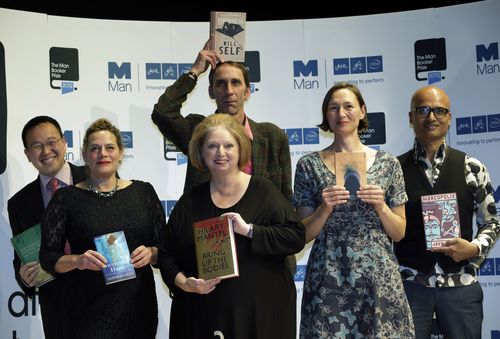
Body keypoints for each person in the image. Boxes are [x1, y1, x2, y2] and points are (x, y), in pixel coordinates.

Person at [158, 113, 305, 339]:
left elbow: (295, 236)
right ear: (201, 152)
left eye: (229, 145)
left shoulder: (264, 191)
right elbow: (167, 256)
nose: (221, 153)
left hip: (259, 317)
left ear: (240, 150)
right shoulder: (190, 201)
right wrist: (185, 283)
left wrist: (249, 231)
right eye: (212, 146)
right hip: (203, 317)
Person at [292, 82, 415, 338]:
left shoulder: (388, 164)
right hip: (328, 278)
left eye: (348, 106)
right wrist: (324, 209)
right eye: (333, 108)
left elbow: (400, 232)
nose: (341, 113)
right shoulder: (308, 165)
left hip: (378, 278)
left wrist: (381, 206)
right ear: (326, 115)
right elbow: (302, 234)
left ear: (362, 111)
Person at [39, 118, 164, 339]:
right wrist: (78, 261)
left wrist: (152, 253)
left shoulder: (143, 193)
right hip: (85, 312)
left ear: (121, 153)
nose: (102, 154)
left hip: (138, 309)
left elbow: (165, 249)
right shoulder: (66, 199)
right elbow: (48, 257)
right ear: (85, 155)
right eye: (94, 149)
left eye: (109, 147)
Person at [395, 85, 499, 339]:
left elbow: (492, 221)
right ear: (411, 118)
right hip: (409, 287)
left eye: (439, 111)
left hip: (461, 286)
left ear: (449, 118)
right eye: (423, 110)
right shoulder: (393, 170)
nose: (431, 117)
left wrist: (474, 248)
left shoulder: (473, 168)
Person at [150, 38, 292, 200]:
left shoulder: (273, 136)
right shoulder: (198, 131)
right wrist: (195, 71)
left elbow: (286, 200)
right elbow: (162, 112)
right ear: (211, 92)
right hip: (210, 223)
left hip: (259, 225)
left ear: (247, 92)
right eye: (221, 84)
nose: (229, 90)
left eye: (236, 83)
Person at [7, 115, 87, 339]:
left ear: (64, 143)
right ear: (28, 154)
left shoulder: (96, 178)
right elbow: (20, 258)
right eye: (37, 146)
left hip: (103, 297)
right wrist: (24, 277)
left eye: (52, 142)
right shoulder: (19, 204)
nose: (46, 151)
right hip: (57, 308)